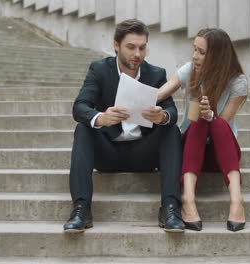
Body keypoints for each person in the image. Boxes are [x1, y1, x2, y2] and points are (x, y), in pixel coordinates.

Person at [64, 19, 185, 233]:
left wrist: (162, 116)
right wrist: (100, 118)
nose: (137, 54)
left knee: (171, 129)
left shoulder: (156, 74)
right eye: (131, 47)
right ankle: (81, 209)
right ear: (116, 45)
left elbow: (172, 112)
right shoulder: (99, 70)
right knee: (83, 128)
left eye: (142, 47)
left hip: (143, 153)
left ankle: (170, 208)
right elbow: (79, 107)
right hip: (108, 153)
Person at [157, 28, 248, 232]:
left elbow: (222, 124)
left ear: (217, 56)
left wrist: (210, 116)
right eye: (194, 49)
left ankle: (236, 201)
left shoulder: (238, 82)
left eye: (201, 52)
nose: (194, 56)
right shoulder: (190, 70)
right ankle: (188, 199)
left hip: (221, 155)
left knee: (216, 123)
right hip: (190, 150)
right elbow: (160, 94)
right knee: (198, 122)